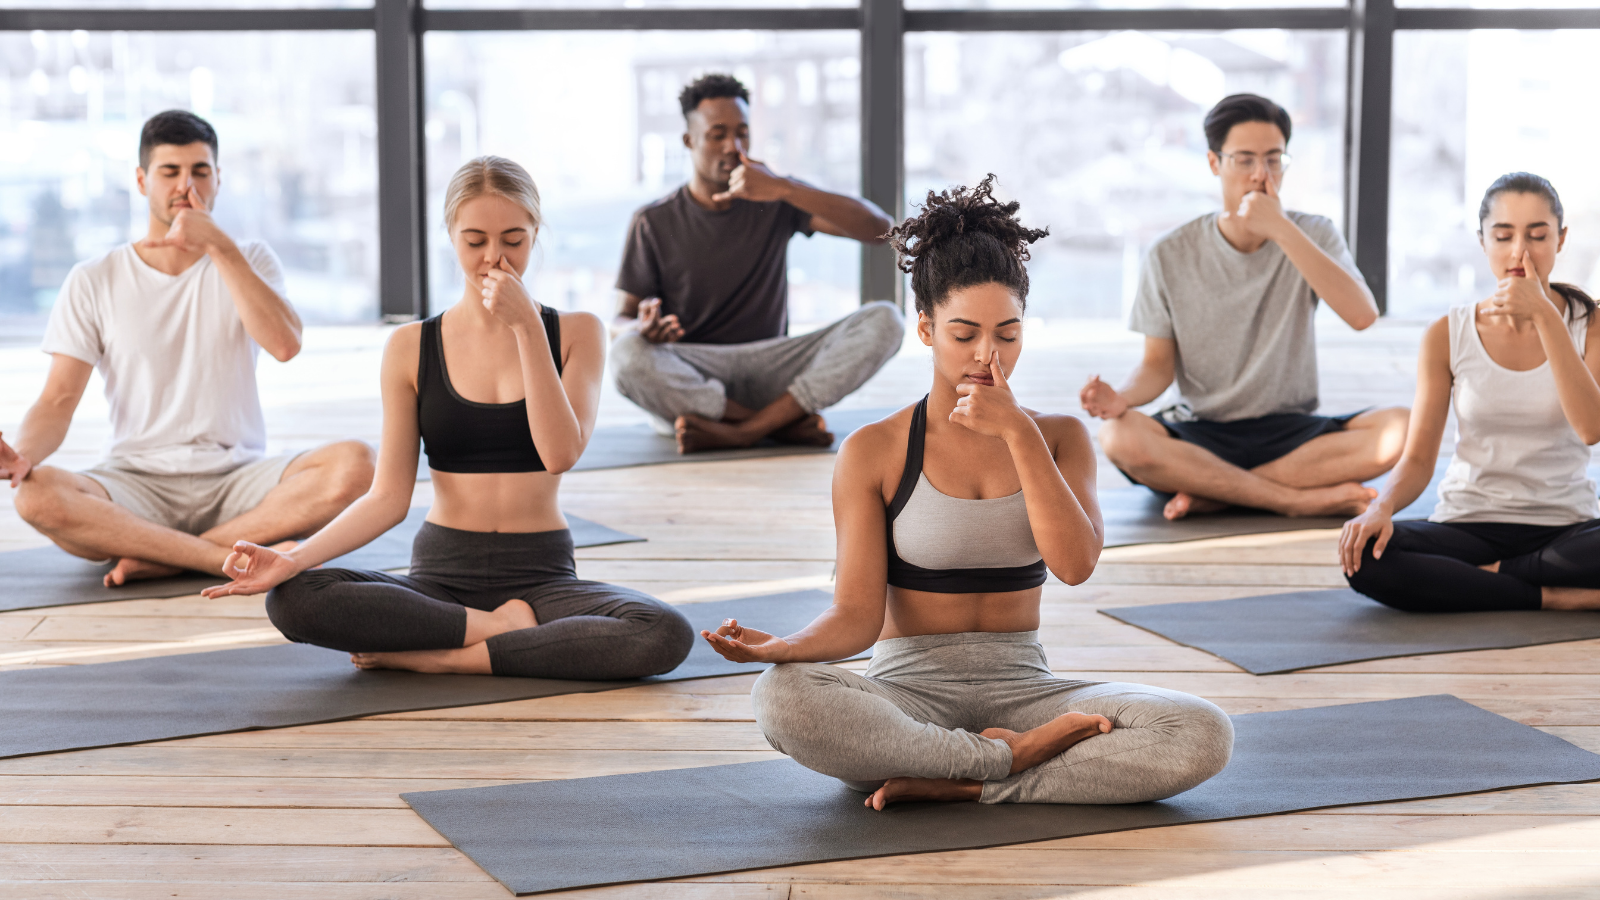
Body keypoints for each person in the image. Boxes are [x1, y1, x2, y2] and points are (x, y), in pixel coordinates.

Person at [700, 177, 1233, 810]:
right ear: (926, 329)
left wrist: (1019, 433)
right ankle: (1010, 759)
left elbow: (1074, 565)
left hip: (1027, 690)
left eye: (1008, 334)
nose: (989, 356)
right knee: (782, 697)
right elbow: (857, 616)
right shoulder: (875, 449)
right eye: (965, 335)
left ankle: (968, 781)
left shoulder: (1059, 437)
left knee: (1200, 732)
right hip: (907, 696)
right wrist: (784, 649)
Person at [198, 156, 694, 679]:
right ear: (451, 235)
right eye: (475, 240)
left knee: (662, 631)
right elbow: (388, 497)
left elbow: (559, 454)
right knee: (294, 599)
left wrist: (526, 327)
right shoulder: (410, 346)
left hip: (542, 575)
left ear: (535, 233)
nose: (494, 259)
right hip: (441, 574)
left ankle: (449, 657)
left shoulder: (577, 332)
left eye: (513, 240)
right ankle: (499, 632)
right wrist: (294, 559)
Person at [0, 110, 373, 587]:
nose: (185, 185)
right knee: (36, 496)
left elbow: (284, 345)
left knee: (357, 465)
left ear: (218, 179)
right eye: (169, 172)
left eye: (200, 171)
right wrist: (23, 454)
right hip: (136, 480)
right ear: (141, 181)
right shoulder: (95, 277)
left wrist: (219, 247)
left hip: (239, 476)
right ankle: (220, 556)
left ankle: (161, 556)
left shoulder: (250, 257)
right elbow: (57, 399)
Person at [1080, 94, 1409, 521]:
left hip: (1291, 429)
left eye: (1274, 160)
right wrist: (1119, 397)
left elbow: (1362, 316)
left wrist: (1281, 229)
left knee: (1401, 428)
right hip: (1200, 427)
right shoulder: (1169, 254)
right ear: (1215, 163)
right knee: (1118, 437)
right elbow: (1157, 365)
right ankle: (1291, 499)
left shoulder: (1313, 233)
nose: (1261, 175)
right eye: (1245, 160)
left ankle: (1211, 493)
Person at [1339, 173, 1600, 613]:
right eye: (1503, 236)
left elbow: (1591, 428)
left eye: (1538, 236)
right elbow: (1419, 459)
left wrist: (1545, 316)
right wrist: (1379, 508)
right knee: (1366, 555)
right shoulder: (1447, 333)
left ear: (1561, 239)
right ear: (1482, 242)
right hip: (1469, 523)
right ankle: (1552, 595)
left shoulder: (1590, 325)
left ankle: (1487, 581)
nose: (1520, 252)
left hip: (1564, 525)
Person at [611, 72, 905, 454]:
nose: (733, 146)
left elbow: (880, 230)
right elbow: (619, 323)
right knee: (625, 356)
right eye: (718, 134)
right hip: (695, 371)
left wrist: (784, 186)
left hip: (773, 365)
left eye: (742, 133)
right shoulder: (652, 221)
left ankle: (743, 430)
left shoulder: (777, 196)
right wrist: (642, 327)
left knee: (887, 319)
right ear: (689, 141)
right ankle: (781, 424)